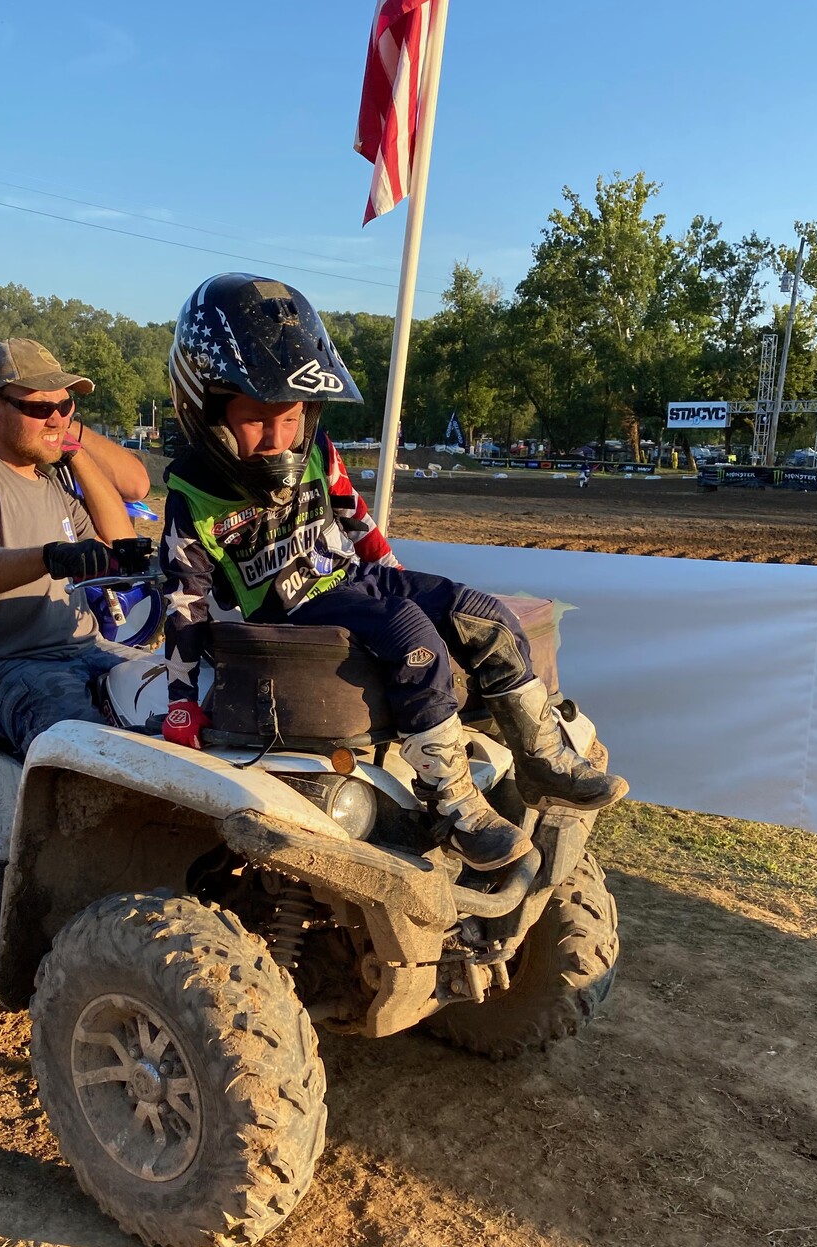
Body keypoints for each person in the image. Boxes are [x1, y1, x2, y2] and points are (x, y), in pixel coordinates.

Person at [158, 274, 627, 872]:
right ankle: (452, 805)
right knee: (415, 644)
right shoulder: (190, 494)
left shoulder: (316, 450)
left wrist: (404, 583)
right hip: (294, 612)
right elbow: (183, 603)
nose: (278, 438)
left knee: (480, 611)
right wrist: (181, 703)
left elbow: (358, 524)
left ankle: (539, 758)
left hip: (355, 582)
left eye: (292, 418)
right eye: (256, 419)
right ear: (204, 405)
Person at [0, 337, 151, 755]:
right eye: (40, 409)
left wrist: (75, 454)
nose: (57, 419)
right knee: (89, 748)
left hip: (87, 648)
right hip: (3, 668)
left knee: (180, 693)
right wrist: (49, 558)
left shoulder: (48, 482)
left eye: (65, 407)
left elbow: (118, 541)